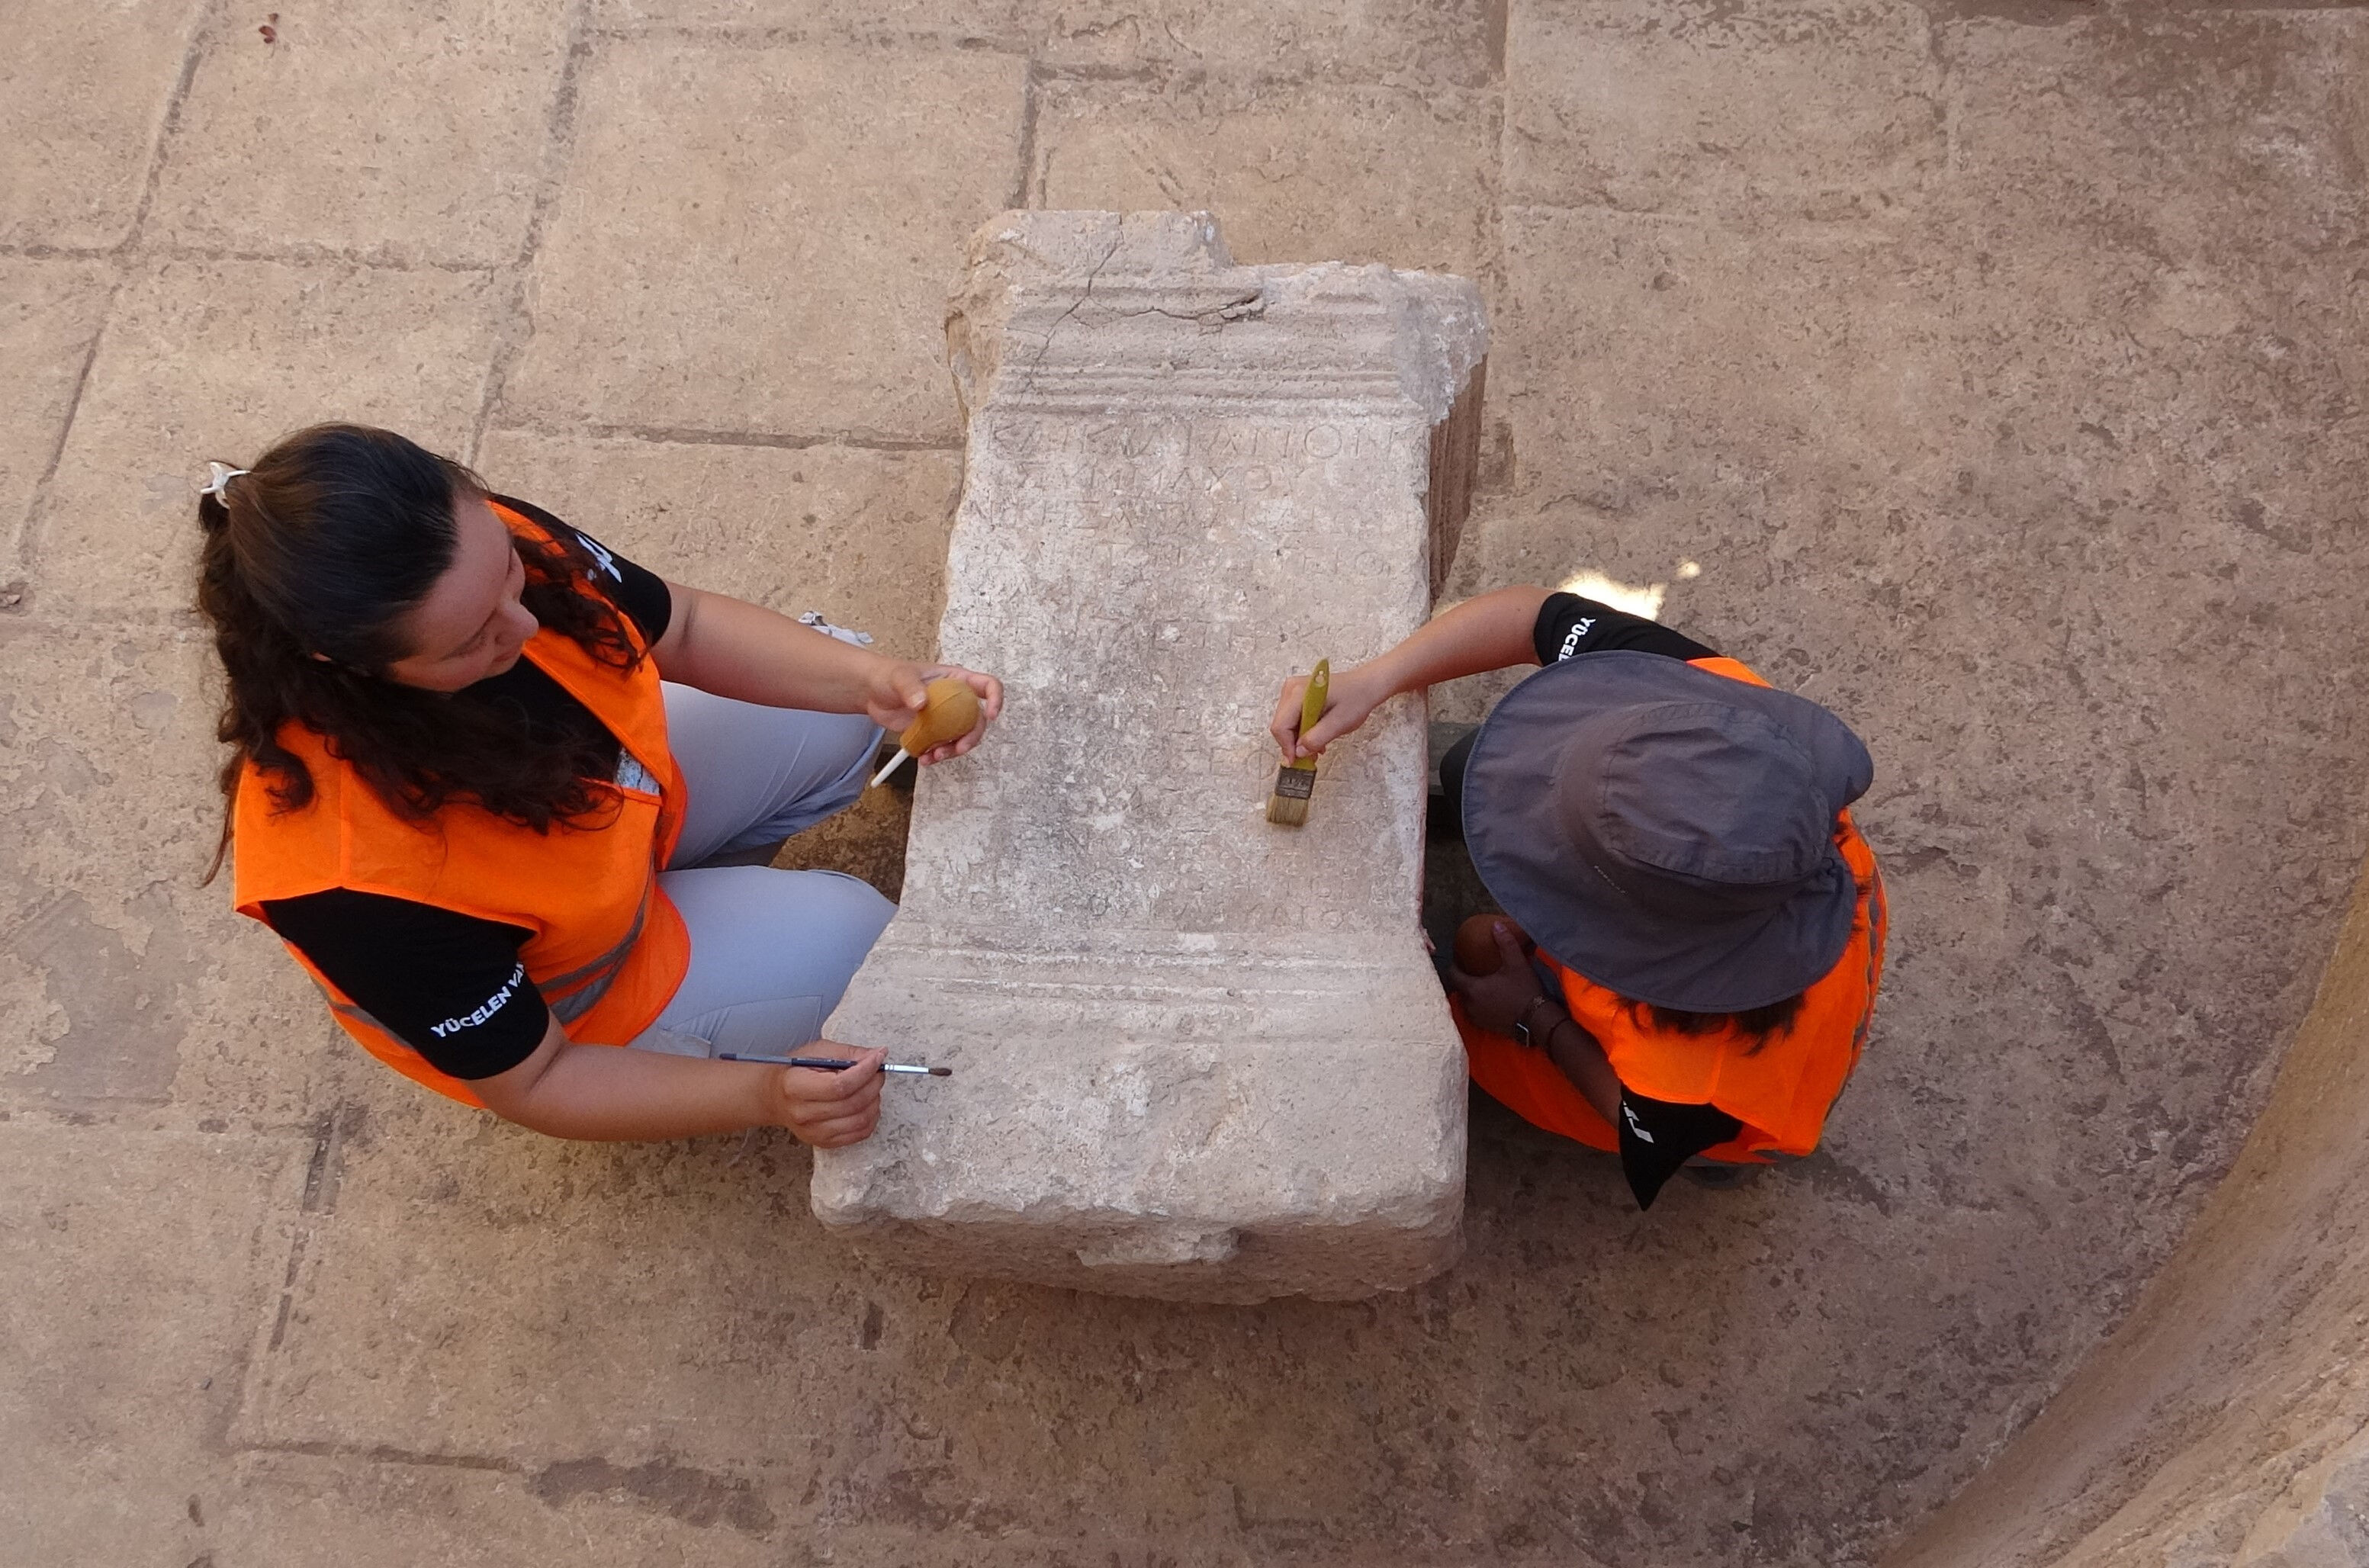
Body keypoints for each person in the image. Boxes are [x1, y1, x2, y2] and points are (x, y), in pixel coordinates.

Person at [197, 424, 1000, 1148]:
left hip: (611, 845)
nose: (525, 626)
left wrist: (877, 680)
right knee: (860, 939)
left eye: (511, 575)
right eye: (471, 641)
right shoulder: (352, 886)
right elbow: (537, 1081)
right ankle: (721, 978)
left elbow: (677, 625)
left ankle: (718, 904)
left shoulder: (463, 547)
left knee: (838, 707)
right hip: (588, 1001)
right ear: (351, 665)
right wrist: (769, 1091)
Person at [1271, 585, 1885, 1209]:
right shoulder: (1726, 732)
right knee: (1467, 769)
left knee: (1479, 950)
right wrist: (1377, 679)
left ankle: (1722, 1162)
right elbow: (1539, 617)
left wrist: (1538, 1017)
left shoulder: (1699, 1075)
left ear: (1626, 934)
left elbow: (1641, 1127)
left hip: (1704, 1112)